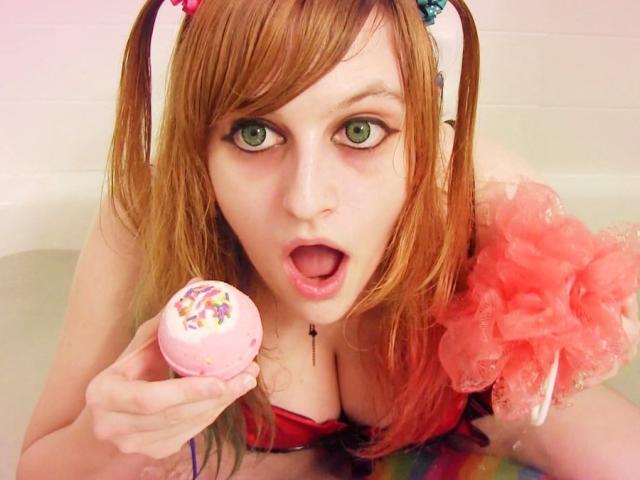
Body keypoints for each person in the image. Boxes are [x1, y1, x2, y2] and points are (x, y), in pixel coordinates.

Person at [16, 0, 640, 479]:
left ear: (423, 126)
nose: (306, 199)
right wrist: (111, 433)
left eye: (361, 129)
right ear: (200, 141)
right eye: (256, 134)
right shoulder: (148, 211)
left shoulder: (474, 186)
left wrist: (582, 333)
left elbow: (594, 325)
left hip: (475, 432)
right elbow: (39, 468)